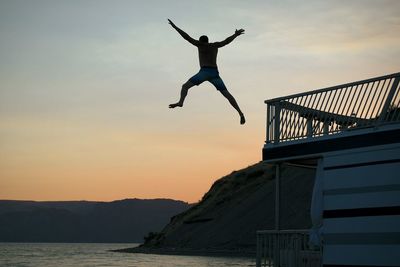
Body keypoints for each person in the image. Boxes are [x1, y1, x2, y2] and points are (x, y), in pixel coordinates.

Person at [167, 19, 246, 125]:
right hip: (214, 73)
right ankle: (240, 113)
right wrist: (235, 35)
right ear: (208, 41)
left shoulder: (200, 45)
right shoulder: (215, 45)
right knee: (227, 94)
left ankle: (181, 102)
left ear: (200, 41)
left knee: (185, 86)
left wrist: (175, 27)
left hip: (204, 72)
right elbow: (226, 41)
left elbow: (186, 37)